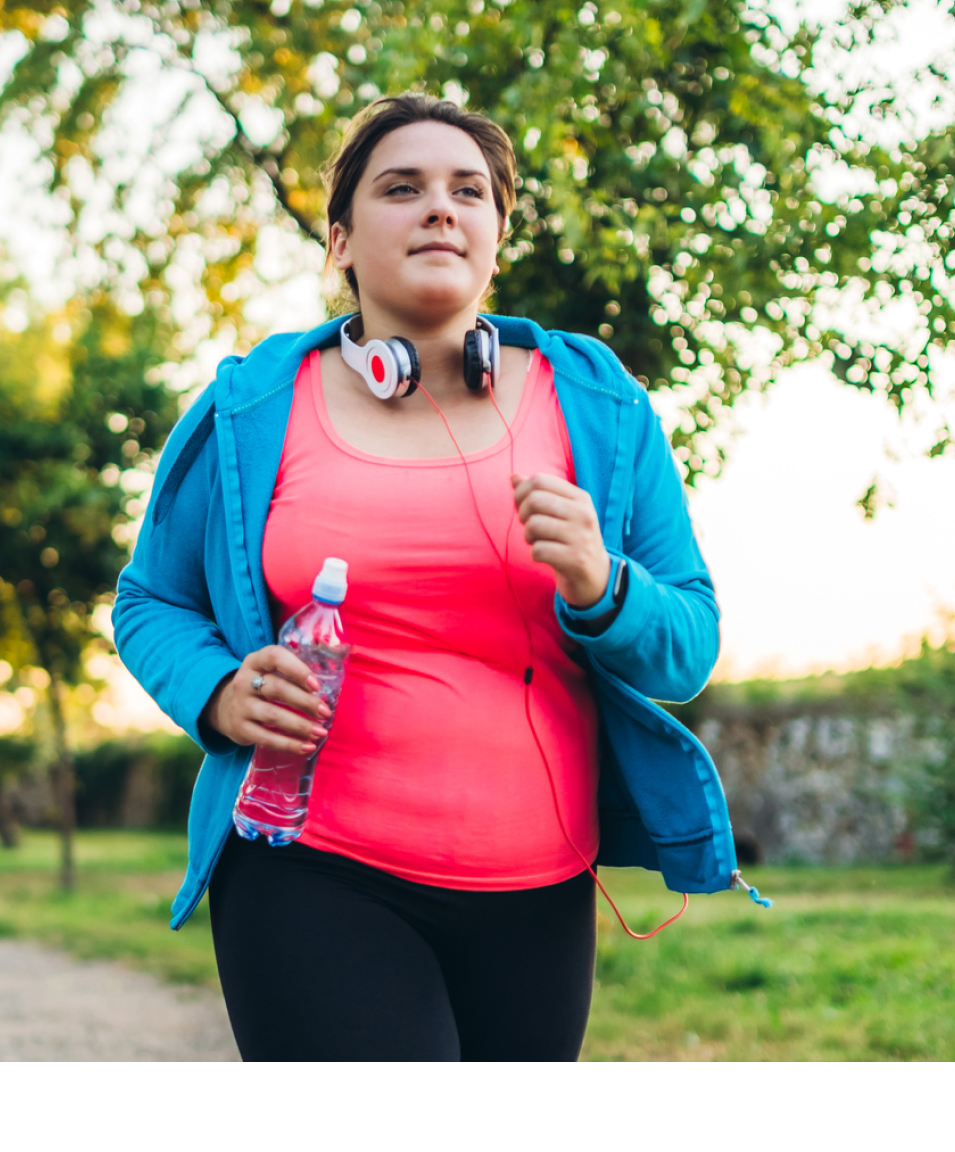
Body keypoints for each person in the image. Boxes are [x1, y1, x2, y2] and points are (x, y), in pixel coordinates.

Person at [114, 93, 737, 1061]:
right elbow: (151, 598)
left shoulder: (602, 405)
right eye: (401, 188)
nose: (439, 208)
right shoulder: (250, 407)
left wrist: (602, 586)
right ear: (340, 241)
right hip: (311, 871)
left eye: (469, 191)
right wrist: (217, 690)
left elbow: (688, 643)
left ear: (497, 234)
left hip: (540, 896)